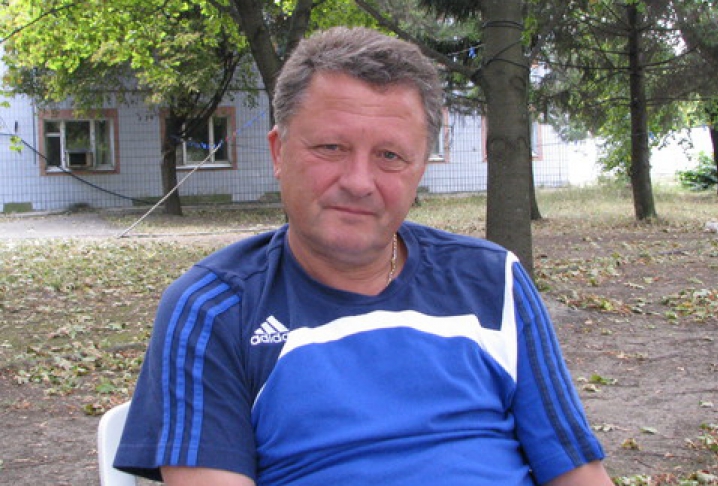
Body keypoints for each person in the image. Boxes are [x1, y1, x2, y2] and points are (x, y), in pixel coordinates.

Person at [114, 26, 614, 486]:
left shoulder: (492, 280)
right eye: (331, 147)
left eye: (390, 156)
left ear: (420, 169)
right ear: (278, 152)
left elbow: (577, 473)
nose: (358, 182)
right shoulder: (214, 309)